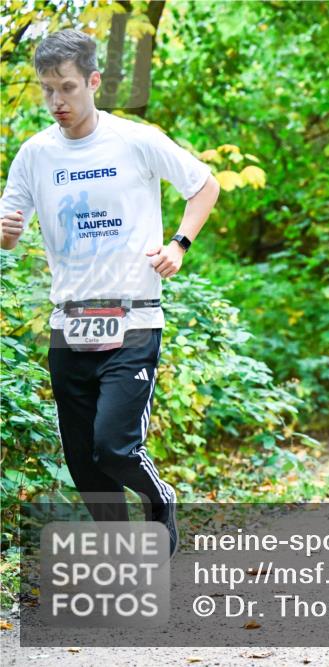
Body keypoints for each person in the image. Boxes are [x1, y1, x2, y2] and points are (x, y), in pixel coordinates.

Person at [0, 30, 220, 555]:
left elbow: (204, 186)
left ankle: (159, 498)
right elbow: (9, 230)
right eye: (47, 89)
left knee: (114, 447)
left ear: (94, 81)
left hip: (133, 318)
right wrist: (6, 232)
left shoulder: (134, 140)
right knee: (84, 461)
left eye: (68, 87)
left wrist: (180, 244)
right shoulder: (35, 154)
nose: (57, 101)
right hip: (68, 323)